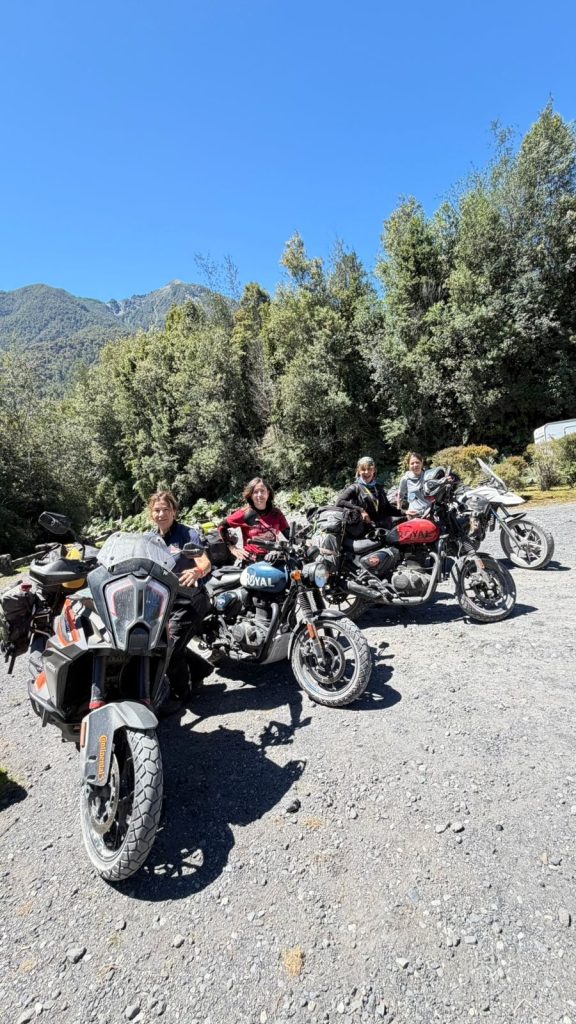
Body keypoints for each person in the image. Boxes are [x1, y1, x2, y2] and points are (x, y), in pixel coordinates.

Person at [148, 490, 213, 715]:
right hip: (165, 602)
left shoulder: (187, 534)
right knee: (160, 643)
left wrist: (197, 571)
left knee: (171, 649)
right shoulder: (151, 539)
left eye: (166, 509)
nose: (161, 514)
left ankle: (180, 694)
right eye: (157, 510)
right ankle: (200, 670)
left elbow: (205, 562)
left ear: (174, 512)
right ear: (151, 513)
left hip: (191, 599)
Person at [218, 477, 290, 562]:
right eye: (255, 492)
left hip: (274, 557)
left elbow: (289, 534)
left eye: (262, 491)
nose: (259, 495)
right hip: (252, 560)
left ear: (268, 493)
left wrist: (302, 540)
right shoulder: (245, 513)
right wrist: (232, 548)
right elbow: (221, 526)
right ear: (251, 495)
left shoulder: (276, 513)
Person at [336, 456, 404, 532]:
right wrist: (360, 510)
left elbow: (388, 508)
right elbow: (339, 501)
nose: (366, 472)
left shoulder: (378, 488)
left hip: (381, 527)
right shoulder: (354, 488)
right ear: (359, 471)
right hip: (363, 529)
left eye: (369, 469)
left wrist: (404, 512)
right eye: (363, 469)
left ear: (374, 470)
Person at [397, 452, 430, 518]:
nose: (415, 465)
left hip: (429, 512)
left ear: (421, 463)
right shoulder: (405, 479)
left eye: (417, 462)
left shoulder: (428, 475)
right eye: (412, 463)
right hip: (414, 515)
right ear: (409, 465)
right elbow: (400, 496)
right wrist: (399, 512)